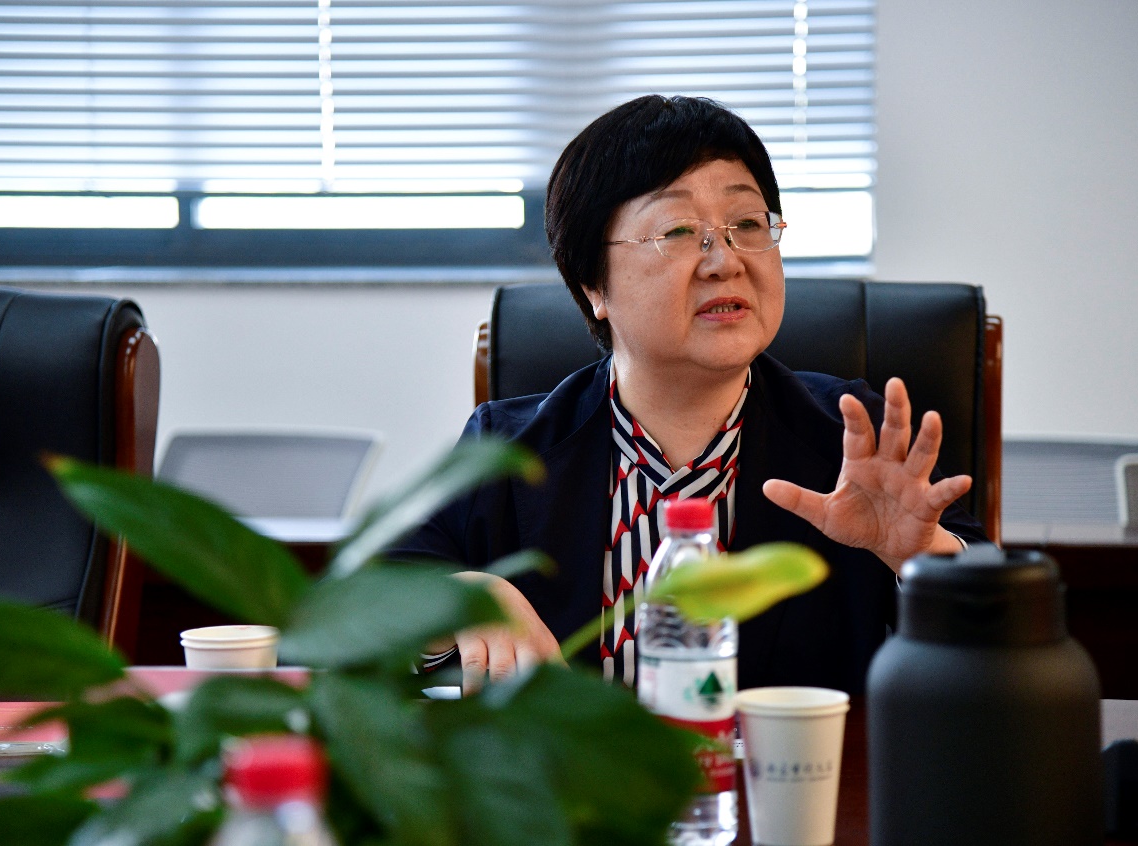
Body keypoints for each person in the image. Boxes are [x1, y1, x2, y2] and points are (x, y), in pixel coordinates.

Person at [393, 94, 988, 695]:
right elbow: (370, 609)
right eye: (678, 231)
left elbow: (1001, 633)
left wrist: (925, 559)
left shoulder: (851, 437)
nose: (724, 262)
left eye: (747, 225)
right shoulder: (507, 447)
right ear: (593, 284)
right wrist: (462, 598)